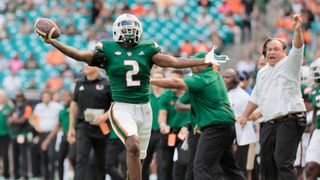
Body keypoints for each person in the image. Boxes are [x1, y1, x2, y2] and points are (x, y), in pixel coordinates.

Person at [35, 13, 223, 180]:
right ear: (117, 31)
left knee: (138, 160)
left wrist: (203, 60)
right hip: (122, 107)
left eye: (133, 29)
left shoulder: (148, 48)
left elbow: (173, 61)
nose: (130, 32)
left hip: (145, 108)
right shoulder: (107, 49)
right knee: (132, 146)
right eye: (126, 29)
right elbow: (79, 55)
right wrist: (54, 42)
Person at [151, 52, 245, 180]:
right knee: (229, 167)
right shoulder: (213, 75)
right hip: (224, 125)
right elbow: (184, 103)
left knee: (200, 167)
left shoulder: (204, 78)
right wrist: (199, 121)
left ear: (206, 64)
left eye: (195, 63)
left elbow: (175, 83)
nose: (192, 65)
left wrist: (148, 80)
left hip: (215, 126)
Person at [237, 14, 306, 180]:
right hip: (268, 122)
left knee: (283, 162)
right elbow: (255, 97)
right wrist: (245, 115)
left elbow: (297, 47)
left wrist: (297, 30)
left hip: (290, 119)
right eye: (269, 49)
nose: (272, 52)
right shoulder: (262, 72)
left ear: (284, 52)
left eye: (276, 49)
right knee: (267, 164)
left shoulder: (291, 63)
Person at [67, 65, 113, 180]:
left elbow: (115, 104)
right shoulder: (80, 83)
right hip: (83, 126)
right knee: (81, 158)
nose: (85, 66)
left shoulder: (107, 83)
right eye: (84, 63)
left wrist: (105, 116)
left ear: (97, 67)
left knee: (100, 160)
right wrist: (71, 128)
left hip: (102, 127)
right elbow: (74, 105)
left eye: (88, 63)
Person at [41, 90, 75, 180]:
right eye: (64, 96)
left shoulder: (75, 109)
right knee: (59, 159)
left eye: (67, 96)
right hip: (65, 136)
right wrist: (47, 140)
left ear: (71, 97)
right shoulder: (62, 111)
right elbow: (57, 127)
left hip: (74, 136)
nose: (65, 98)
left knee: (73, 158)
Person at [31, 91, 64, 180]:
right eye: (44, 97)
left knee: (52, 156)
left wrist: (58, 127)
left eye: (47, 97)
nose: (45, 99)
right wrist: (37, 127)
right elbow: (32, 118)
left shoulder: (57, 106)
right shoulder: (39, 107)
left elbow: (62, 117)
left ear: (50, 97)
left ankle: (52, 177)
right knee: (43, 155)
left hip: (53, 134)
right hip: (42, 133)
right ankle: (45, 176)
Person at [142, 70, 165, 180]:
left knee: (162, 163)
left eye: (160, 78)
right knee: (144, 162)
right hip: (148, 132)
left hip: (163, 132)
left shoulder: (167, 95)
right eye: (154, 78)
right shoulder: (146, 96)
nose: (157, 81)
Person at [9, 92, 32, 179]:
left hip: (23, 133)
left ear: (23, 97)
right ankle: (16, 174)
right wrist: (14, 120)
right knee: (15, 155)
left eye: (20, 96)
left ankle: (25, 174)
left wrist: (14, 120)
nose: (19, 98)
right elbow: (8, 120)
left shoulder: (27, 107)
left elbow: (23, 120)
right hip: (14, 134)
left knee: (24, 155)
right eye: (17, 96)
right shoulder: (14, 108)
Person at [305, 59, 320, 180]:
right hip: (318, 132)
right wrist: (312, 137)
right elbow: (314, 117)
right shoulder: (315, 91)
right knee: (310, 168)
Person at [0, 90, 12, 179]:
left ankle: (6, 173)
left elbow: (10, 119)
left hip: (5, 134)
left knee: (5, 154)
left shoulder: (8, 107)